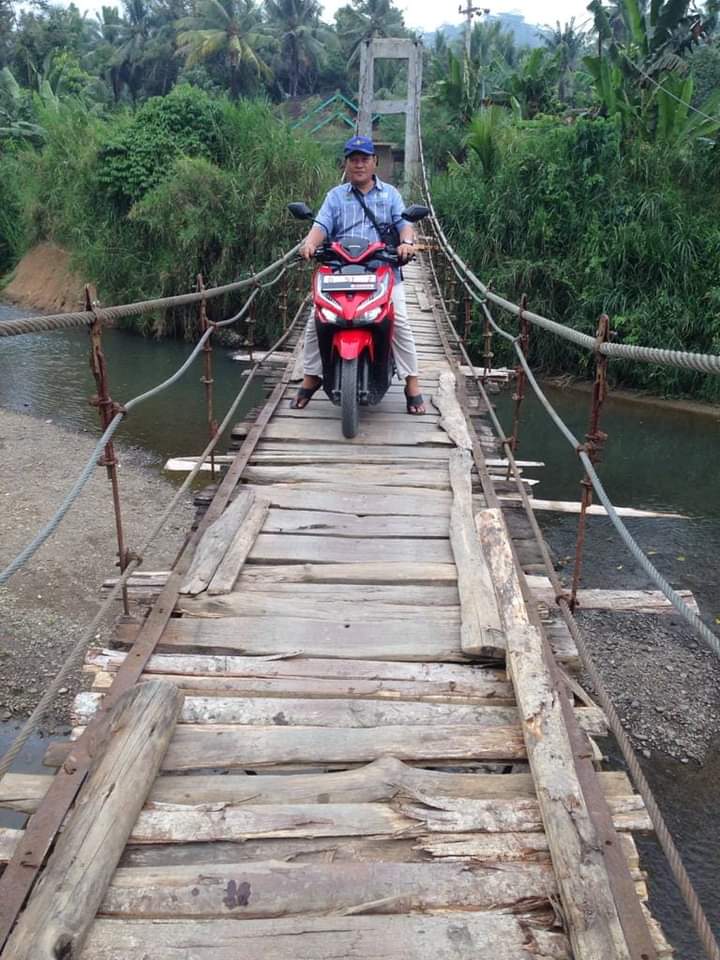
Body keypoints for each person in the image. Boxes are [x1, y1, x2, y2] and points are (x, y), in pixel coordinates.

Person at [291, 135, 425, 415]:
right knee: (315, 321)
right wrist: (310, 244)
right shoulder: (335, 196)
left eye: (365, 159)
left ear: (374, 162)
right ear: (346, 163)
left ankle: (412, 383)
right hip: (340, 271)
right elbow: (320, 226)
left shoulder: (390, 195)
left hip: (382, 270)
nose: (359, 164)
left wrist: (407, 244)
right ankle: (312, 377)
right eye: (354, 159)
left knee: (399, 321)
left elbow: (405, 225)